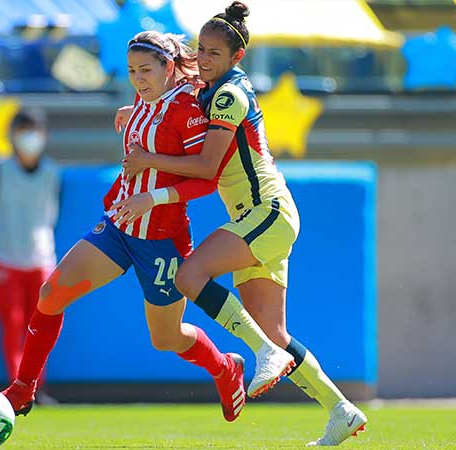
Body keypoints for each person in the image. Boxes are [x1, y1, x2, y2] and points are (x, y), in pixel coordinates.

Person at [1, 30, 296, 423]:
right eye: (131, 71)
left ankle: (225, 368)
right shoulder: (143, 99)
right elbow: (148, 117)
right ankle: (24, 388)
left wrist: (152, 192)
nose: (138, 78)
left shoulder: (191, 109)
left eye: (145, 70)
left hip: (162, 239)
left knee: (166, 338)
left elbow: (207, 179)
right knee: (51, 294)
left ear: (168, 66)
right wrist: (130, 111)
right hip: (120, 226)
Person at [111, 2, 367, 446]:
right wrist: (132, 109)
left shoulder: (228, 95)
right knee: (275, 331)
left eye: (214, 52)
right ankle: (341, 410)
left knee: (191, 275)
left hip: (267, 213)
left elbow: (208, 166)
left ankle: (263, 353)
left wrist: (148, 158)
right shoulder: (210, 84)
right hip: (260, 217)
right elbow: (158, 80)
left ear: (236, 58)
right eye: (201, 49)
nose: (204, 58)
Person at [0, 109, 60, 405]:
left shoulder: (51, 173)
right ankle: (17, 389)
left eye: (35, 130)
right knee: (12, 324)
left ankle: (36, 389)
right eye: (24, 130)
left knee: (41, 326)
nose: (30, 138)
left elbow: (51, 213)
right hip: (3, 258)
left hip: (41, 259)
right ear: (12, 135)